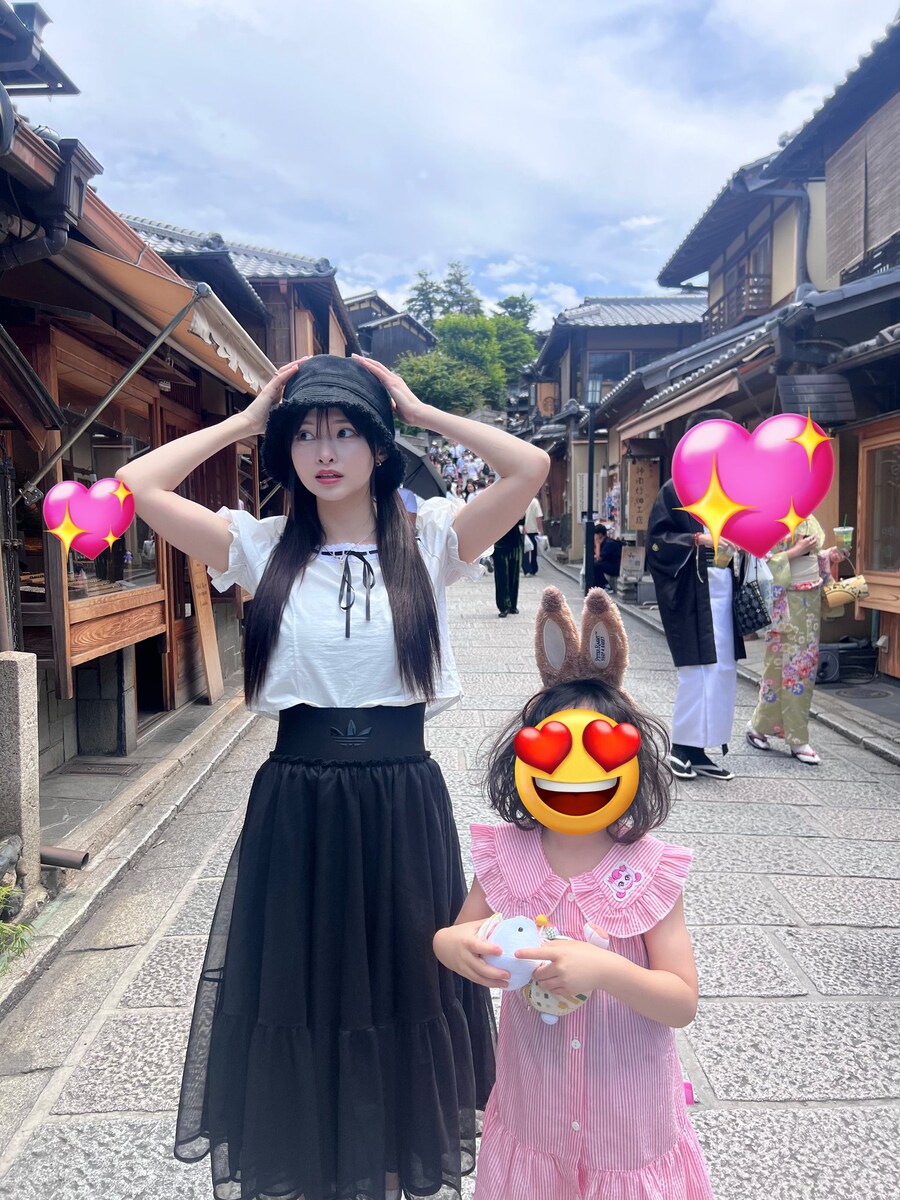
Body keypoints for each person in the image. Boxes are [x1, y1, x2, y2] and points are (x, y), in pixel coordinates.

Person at [116, 353, 549, 1200]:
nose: (325, 451)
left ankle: (383, 1167)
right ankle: (314, 1164)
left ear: (379, 448)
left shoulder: (431, 540)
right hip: (298, 798)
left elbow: (529, 467)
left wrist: (422, 410)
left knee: (401, 979)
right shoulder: (259, 546)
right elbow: (137, 485)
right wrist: (247, 421)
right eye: (307, 434)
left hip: (400, 797)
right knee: (301, 984)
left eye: (346, 431)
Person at [433, 588, 712, 1199]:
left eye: (598, 754)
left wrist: (604, 968)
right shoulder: (507, 855)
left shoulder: (650, 869)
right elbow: (461, 932)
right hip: (536, 1113)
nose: (575, 775)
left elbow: (681, 1001)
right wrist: (451, 946)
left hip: (629, 1123)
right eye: (556, 754)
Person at [646, 409, 745, 782]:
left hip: (723, 588)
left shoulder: (731, 488)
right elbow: (657, 541)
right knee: (696, 671)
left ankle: (703, 749)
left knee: (722, 671)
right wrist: (696, 539)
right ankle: (681, 747)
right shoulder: (675, 488)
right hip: (691, 590)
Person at [747, 515, 841, 765]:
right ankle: (792, 737)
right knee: (782, 668)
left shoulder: (809, 518)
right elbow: (761, 563)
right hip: (786, 602)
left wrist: (830, 556)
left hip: (808, 602)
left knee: (802, 668)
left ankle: (765, 727)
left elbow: (815, 560)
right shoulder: (772, 517)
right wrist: (795, 551)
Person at [493, 516, 523, 618]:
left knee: (514, 576)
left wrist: (521, 516)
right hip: (499, 543)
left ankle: (512, 605)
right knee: (502, 576)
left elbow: (522, 521)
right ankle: (503, 606)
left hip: (515, 542)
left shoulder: (516, 507)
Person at [592, 524, 622, 591]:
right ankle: (596, 586)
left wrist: (597, 544)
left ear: (600, 535)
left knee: (595, 565)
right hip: (608, 565)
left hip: (615, 568)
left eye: (595, 535)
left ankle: (606, 585)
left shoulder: (609, 543)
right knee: (593, 564)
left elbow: (598, 558)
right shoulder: (603, 543)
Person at [522, 494, 544, 575]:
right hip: (533, 530)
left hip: (524, 530)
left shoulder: (523, 502)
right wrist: (540, 530)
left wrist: (523, 527)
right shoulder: (535, 502)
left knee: (525, 551)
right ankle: (533, 568)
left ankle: (526, 569)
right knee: (534, 551)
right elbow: (538, 517)